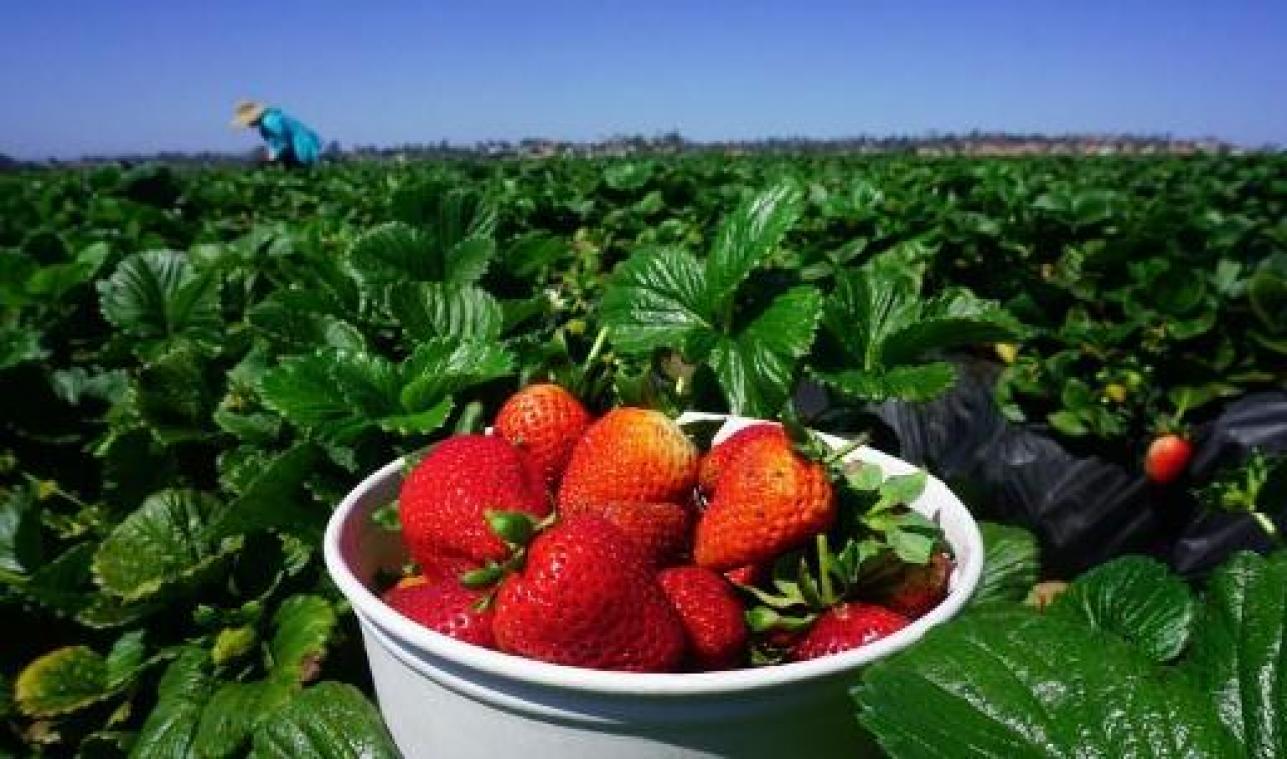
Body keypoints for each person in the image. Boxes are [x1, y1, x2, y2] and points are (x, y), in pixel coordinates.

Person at [230, 101, 322, 167]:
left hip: (299, 150)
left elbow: (281, 142)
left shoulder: (270, 122)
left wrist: (271, 159)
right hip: (296, 148)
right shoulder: (267, 122)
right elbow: (274, 143)